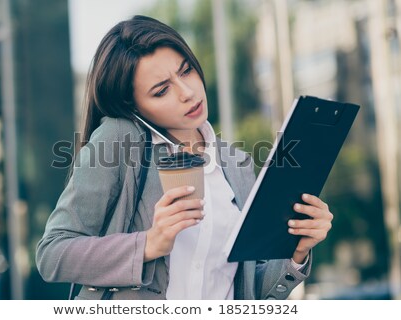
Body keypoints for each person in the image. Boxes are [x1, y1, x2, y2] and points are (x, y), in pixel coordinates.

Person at [36, 15, 333, 300]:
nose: (188, 92)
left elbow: (246, 291)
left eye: (186, 70)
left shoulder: (237, 163)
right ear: (134, 107)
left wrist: (297, 253)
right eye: (162, 90)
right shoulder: (120, 140)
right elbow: (52, 253)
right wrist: (148, 244)